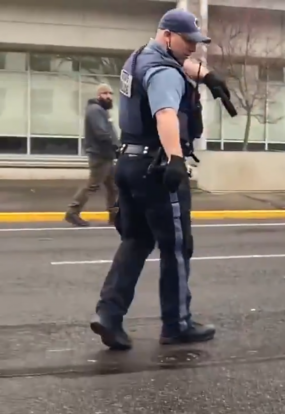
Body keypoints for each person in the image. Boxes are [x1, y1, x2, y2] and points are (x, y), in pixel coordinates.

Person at [91, 8, 231, 350]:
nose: (192, 49)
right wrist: (176, 160)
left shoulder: (140, 57)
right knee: (177, 247)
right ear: (167, 35)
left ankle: (108, 314)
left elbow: (176, 66)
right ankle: (177, 324)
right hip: (156, 168)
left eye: (196, 43)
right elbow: (166, 113)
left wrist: (207, 76)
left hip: (128, 163)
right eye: (188, 42)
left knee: (136, 241)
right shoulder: (164, 72)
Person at [65, 83, 120, 227]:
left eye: (110, 93)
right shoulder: (95, 110)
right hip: (99, 156)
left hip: (107, 155)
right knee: (92, 185)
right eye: (104, 93)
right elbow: (102, 133)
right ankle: (73, 212)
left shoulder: (101, 110)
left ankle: (114, 216)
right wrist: (117, 146)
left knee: (113, 186)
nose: (108, 96)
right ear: (98, 95)